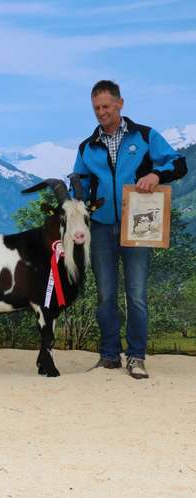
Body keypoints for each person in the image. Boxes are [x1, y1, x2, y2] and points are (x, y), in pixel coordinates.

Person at [73, 80, 187, 379]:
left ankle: (136, 357)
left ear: (120, 104)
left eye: (106, 106)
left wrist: (155, 173)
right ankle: (109, 356)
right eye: (96, 108)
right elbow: (81, 186)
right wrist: (76, 199)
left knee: (136, 295)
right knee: (105, 296)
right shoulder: (87, 147)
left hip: (140, 227)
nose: (101, 113)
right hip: (100, 228)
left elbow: (179, 165)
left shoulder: (146, 136)